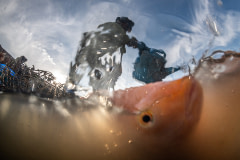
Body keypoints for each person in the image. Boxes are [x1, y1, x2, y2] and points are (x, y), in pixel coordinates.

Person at [68, 17, 135, 91]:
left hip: (93, 52)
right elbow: (119, 36)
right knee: (107, 73)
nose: (128, 30)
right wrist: (131, 41)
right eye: (128, 27)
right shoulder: (116, 28)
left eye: (129, 28)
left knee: (99, 73)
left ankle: (76, 84)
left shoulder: (110, 26)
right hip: (99, 53)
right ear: (123, 23)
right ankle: (98, 91)